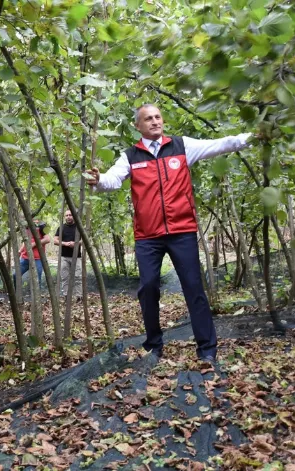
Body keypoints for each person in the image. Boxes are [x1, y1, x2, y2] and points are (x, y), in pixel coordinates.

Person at [88, 104, 254, 363]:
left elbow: (221, 144)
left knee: (193, 288)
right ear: (138, 126)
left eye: (158, 117)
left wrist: (253, 137)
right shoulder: (131, 155)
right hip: (148, 236)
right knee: (148, 288)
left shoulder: (181, 146)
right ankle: (154, 346)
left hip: (182, 231)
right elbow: (112, 180)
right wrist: (98, 180)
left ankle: (207, 349)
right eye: (148, 119)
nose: (155, 121)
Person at [53, 210, 82, 299]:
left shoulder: (79, 227)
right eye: (67, 215)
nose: (68, 217)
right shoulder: (61, 228)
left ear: (74, 216)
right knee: (65, 277)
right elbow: (55, 241)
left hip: (77, 257)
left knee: (77, 277)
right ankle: (66, 296)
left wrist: (76, 243)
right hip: (64, 257)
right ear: (64, 217)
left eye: (70, 215)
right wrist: (65, 243)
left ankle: (79, 297)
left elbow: (84, 240)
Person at [16, 221, 50, 289]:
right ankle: (16, 293)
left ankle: (37, 295)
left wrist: (34, 244)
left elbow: (47, 239)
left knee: (37, 280)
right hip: (25, 257)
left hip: (37, 259)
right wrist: (20, 250)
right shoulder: (25, 224)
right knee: (15, 275)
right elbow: (25, 241)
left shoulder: (41, 224)